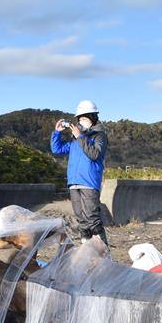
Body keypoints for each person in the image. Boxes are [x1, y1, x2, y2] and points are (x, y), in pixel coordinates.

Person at [51, 100, 108, 244]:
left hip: (89, 182)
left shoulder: (99, 136)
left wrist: (80, 137)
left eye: (84, 118)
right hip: (74, 183)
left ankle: (104, 254)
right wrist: (57, 132)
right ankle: (87, 253)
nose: (81, 121)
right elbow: (57, 150)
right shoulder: (75, 140)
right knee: (81, 220)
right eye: (80, 118)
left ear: (92, 118)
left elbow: (94, 154)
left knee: (92, 219)